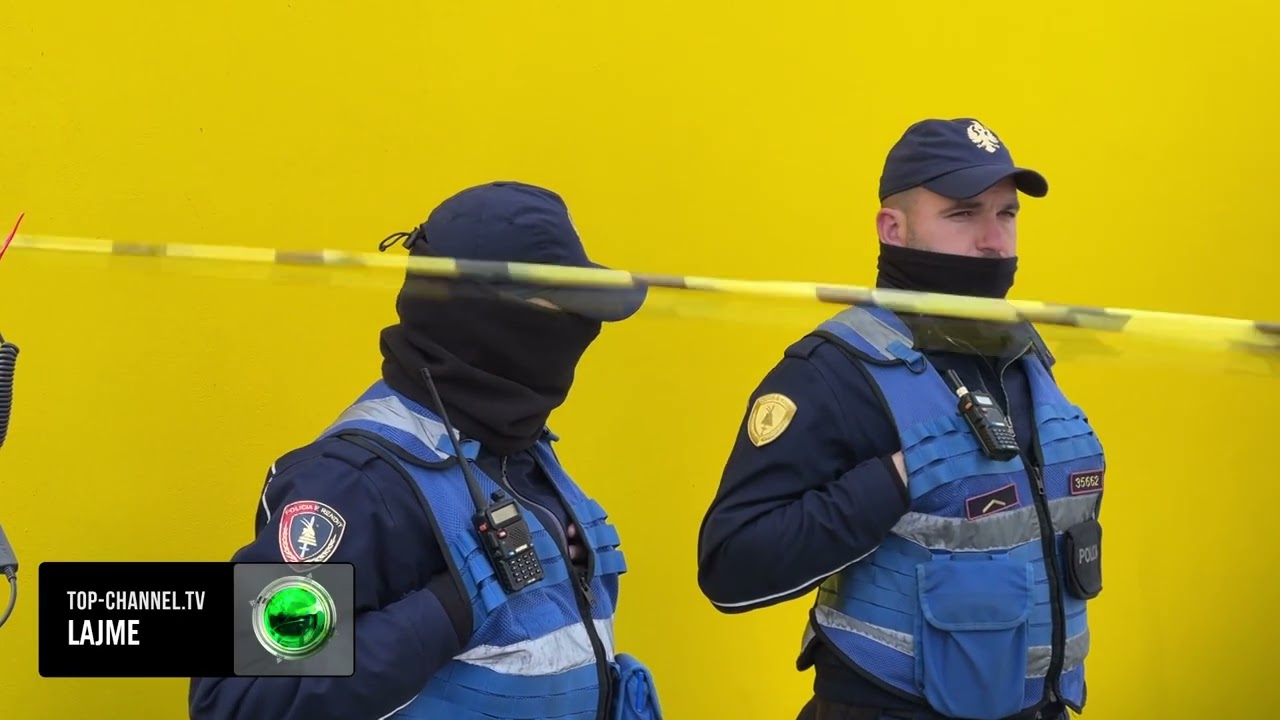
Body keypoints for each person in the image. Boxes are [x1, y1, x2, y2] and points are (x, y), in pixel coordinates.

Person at [189, 181, 663, 720]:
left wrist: (557, 571)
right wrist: (452, 605)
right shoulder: (352, 483)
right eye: (560, 310)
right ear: (488, 321)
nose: (581, 331)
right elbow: (237, 697)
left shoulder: (517, 450)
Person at [696, 118, 1106, 720]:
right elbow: (732, 565)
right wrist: (893, 480)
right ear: (894, 228)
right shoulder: (834, 372)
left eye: (1007, 215)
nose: (993, 242)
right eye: (963, 215)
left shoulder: (1024, 356)